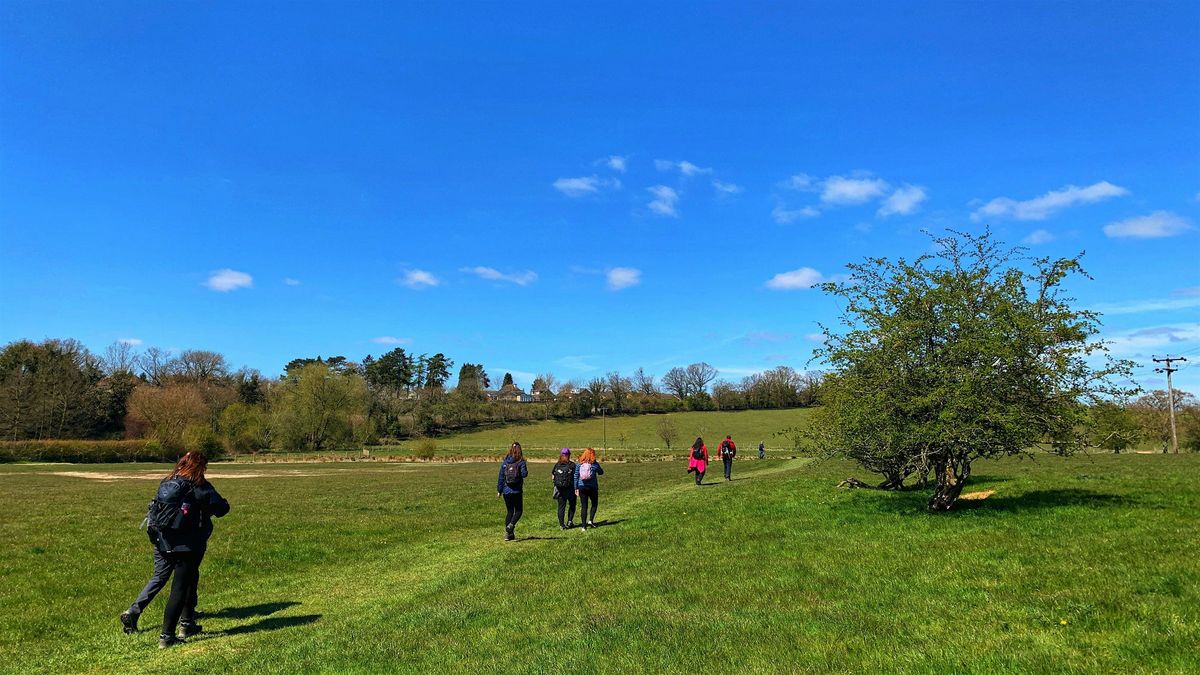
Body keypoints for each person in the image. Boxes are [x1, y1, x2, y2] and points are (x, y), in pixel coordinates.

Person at [149, 451, 229, 648]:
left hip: (165, 541)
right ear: (200, 467)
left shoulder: (167, 482)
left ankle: (187, 623)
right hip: (189, 544)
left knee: (190, 580)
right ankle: (167, 636)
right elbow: (222, 509)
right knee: (180, 587)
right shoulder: (198, 486)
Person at [496, 442, 528, 541]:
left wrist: (499, 490)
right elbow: (524, 474)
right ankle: (511, 525)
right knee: (518, 511)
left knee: (509, 511)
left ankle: (509, 535)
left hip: (506, 490)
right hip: (517, 490)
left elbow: (501, 477)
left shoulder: (505, 462)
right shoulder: (521, 461)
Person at [574, 447, 604, 530]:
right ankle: (590, 520)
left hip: (582, 486)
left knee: (584, 506)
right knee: (594, 503)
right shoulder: (594, 464)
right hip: (592, 487)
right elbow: (601, 472)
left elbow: (576, 476)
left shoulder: (579, 464)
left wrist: (576, 488)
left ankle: (583, 526)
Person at [551, 447, 577, 529]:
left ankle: (562, 525)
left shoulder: (557, 464)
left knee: (561, 507)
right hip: (570, 489)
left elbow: (553, 476)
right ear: (569, 455)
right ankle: (569, 521)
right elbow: (575, 476)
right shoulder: (572, 465)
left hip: (560, 489)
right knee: (572, 505)